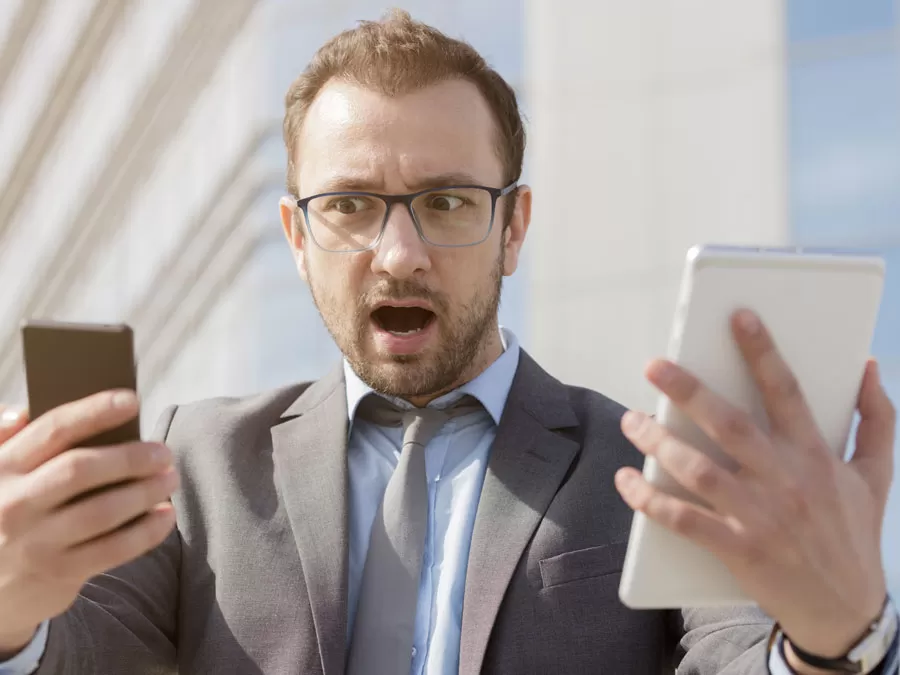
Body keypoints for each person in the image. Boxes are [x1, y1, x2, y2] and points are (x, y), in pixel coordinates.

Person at [0, 10, 897, 675]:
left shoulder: (651, 474)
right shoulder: (194, 465)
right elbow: (83, 655)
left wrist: (834, 640)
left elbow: (741, 655)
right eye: (349, 206)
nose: (400, 254)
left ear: (513, 229)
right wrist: (11, 616)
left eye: (448, 202)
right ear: (296, 237)